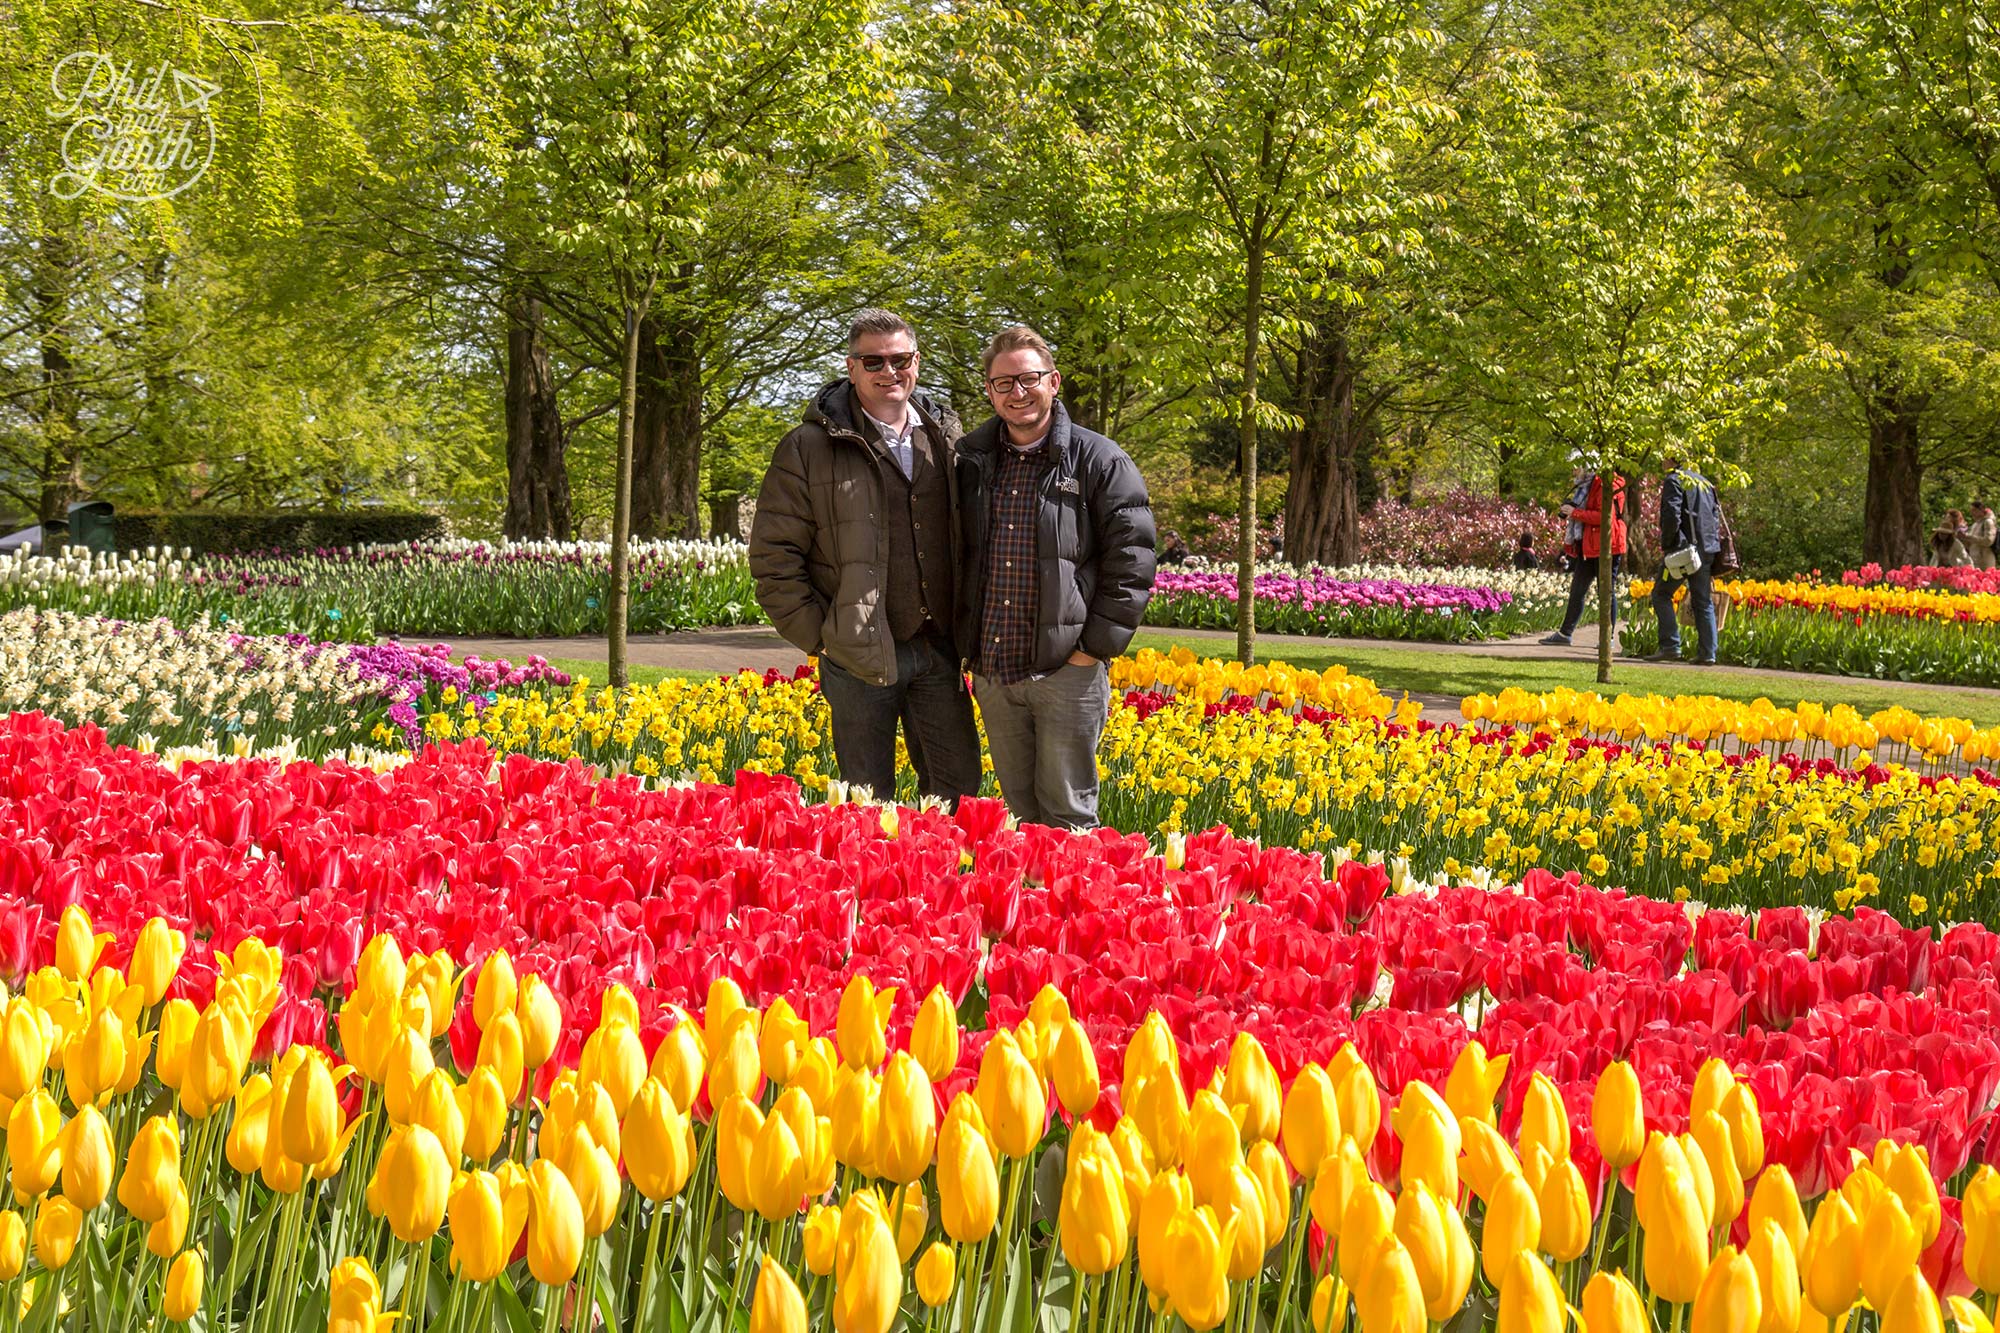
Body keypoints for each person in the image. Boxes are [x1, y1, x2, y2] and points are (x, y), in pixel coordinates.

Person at [748, 309, 982, 806]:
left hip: (939, 648)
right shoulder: (807, 447)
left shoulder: (949, 439)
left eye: (899, 359)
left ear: (916, 362)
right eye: (872, 361)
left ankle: (940, 885)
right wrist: (822, 639)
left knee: (957, 794)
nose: (888, 372)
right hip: (855, 654)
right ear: (851, 368)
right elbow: (774, 558)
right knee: (865, 804)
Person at [956, 325, 1156, 830]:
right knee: (1020, 817)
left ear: (1054, 381)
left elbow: (1132, 562)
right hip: (997, 670)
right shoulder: (971, 461)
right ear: (989, 391)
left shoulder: (1099, 460)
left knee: (1068, 817)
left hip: (1067, 671)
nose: (1017, 392)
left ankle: (1075, 910)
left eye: (1028, 378)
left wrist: (1092, 649)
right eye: (1003, 383)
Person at [1539, 469, 1627, 647]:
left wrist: (1575, 513)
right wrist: (1571, 510)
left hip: (1606, 545)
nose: (1573, 470)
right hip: (1589, 545)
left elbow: (1605, 517)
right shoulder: (1586, 486)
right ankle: (1565, 634)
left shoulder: (1604, 484)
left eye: (1577, 466)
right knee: (1578, 589)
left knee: (1606, 591)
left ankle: (1607, 638)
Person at [1647, 460, 1723, 665]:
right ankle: (1708, 653)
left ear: (1672, 460)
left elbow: (1671, 515)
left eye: (1664, 457)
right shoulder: (1704, 482)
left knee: (1661, 594)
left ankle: (1670, 646)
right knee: (1702, 600)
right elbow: (1714, 517)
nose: (1661, 461)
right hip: (1707, 549)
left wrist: (1669, 544)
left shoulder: (1675, 480)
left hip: (1683, 551)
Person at [1970, 502, 1997, 571]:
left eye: (1974, 510)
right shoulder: (1975, 524)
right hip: (1975, 560)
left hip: (1985, 560)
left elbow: (1988, 541)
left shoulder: (1988, 522)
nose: (1972, 513)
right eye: (1971, 510)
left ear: (1981, 510)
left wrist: (1969, 537)